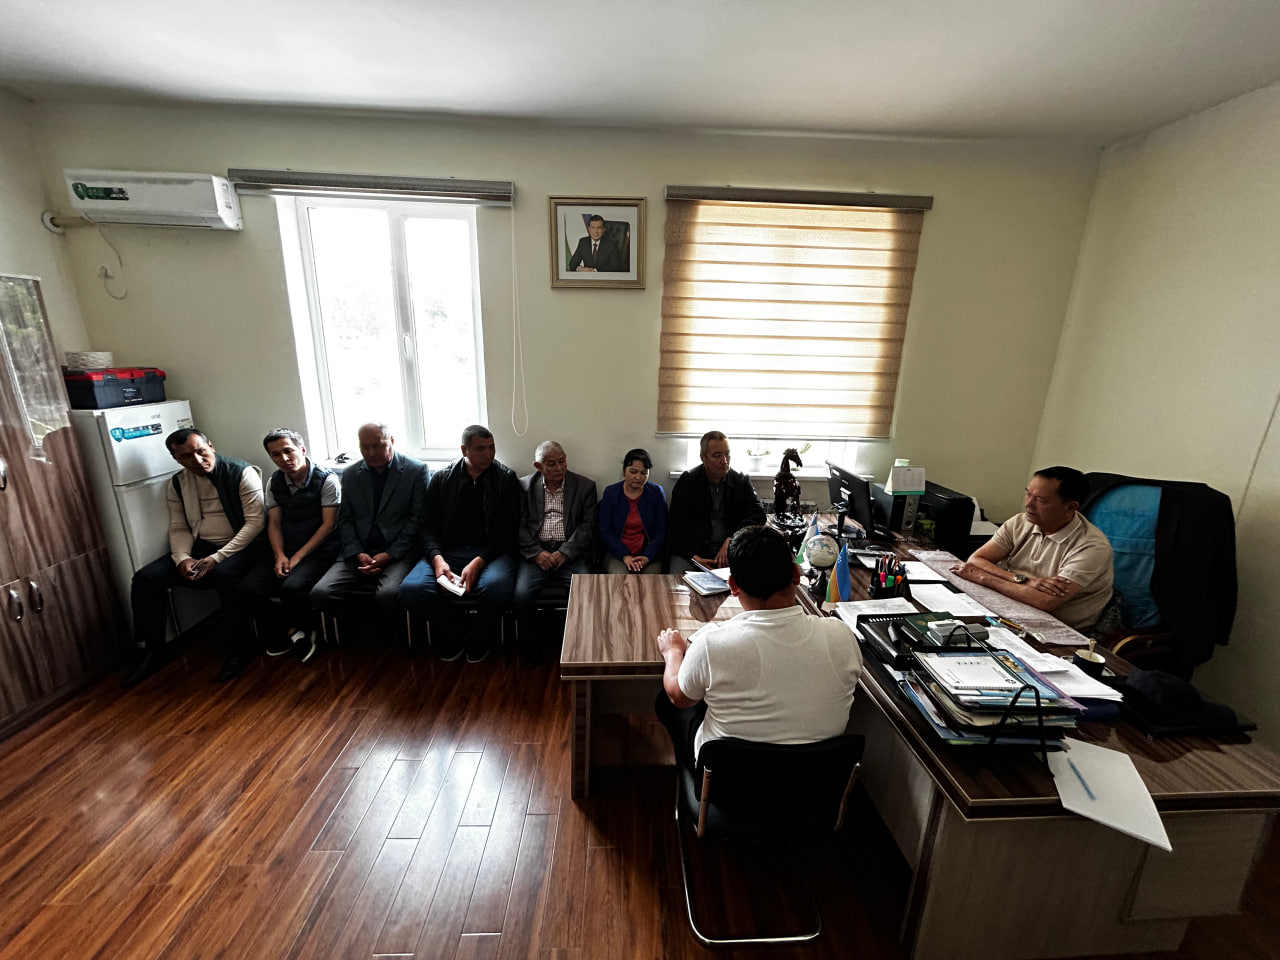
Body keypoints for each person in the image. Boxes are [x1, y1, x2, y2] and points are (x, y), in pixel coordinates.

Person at [654, 524, 863, 770]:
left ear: (733, 586)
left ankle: (688, 780)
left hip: (730, 782)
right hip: (816, 783)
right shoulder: (842, 636)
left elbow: (678, 697)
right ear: (796, 575)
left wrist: (672, 652)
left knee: (669, 701)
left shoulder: (711, 645)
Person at [122, 428, 267, 687]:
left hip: (243, 547)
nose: (197, 460)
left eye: (200, 451)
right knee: (146, 578)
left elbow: (255, 523)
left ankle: (242, 647)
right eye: (186, 457)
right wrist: (182, 558)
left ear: (211, 446)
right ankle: (153, 649)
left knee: (225, 575)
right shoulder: (178, 483)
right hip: (202, 546)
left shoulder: (242, 473)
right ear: (176, 459)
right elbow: (179, 526)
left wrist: (218, 557)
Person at [401, 425, 520, 663]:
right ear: (464, 450)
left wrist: (479, 561)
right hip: (448, 552)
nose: (488, 454)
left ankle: (480, 637)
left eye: (491, 447)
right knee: (412, 589)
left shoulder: (505, 478)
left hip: (491, 553)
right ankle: (455, 630)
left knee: (495, 588)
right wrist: (437, 559)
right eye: (480, 449)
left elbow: (510, 530)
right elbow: (427, 526)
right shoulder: (442, 479)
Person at [950, 466, 1113, 630]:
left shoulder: (1092, 547)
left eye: (1040, 500)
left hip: (1056, 627)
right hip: (1009, 607)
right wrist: (1025, 581)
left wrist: (983, 578)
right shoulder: (1020, 522)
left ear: (1070, 507)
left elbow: (1045, 601)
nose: (1028, 504)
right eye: (1028, 494)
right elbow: (977, 559)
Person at [310, 423, 428, 634]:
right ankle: (356, 633)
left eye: (378, 446)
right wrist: (357, 552)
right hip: (359, 551)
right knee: (321, 593)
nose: (371, 453)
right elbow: (345, 519)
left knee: (387, 594)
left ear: (391, 441)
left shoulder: (416, 470)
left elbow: (417, 520)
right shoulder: (351, 473)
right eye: (365, 447)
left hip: (398, 552)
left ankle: (395, 639)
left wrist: (389, 555)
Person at [236, 428, 340, 663]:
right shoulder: (274, 481)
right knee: (248, 589)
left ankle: (309, 632)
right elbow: (274, 523)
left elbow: (328, 526)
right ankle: (289, 631)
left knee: (292, 587)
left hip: (319, 549)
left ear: (302, 450)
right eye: (275, 454)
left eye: (288, 451)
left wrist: (298, 558)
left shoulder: (327, 479)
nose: (283, 458)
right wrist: (280, 555)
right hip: (286, 547)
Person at [513, 440, 598, 609]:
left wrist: (564, 553)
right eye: (552, 464)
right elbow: (519, 526)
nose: (559, 468)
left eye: (562, 461)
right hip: (537, 553)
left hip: (571, 554)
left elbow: (587, 526)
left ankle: (577, 627)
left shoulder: (585, 486)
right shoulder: (524, 486)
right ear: (538, 466)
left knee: (586, 593)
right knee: (521, 595)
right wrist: (537, 553)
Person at [666, 430, 765, 576]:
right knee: (677, 581)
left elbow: (758, 514)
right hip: (693, 553)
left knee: (753, 579)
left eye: (727, 454)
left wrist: (732, 539)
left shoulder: (740, 480)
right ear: (703, 458)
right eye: (717, 455)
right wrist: (694, 557)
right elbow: (675, 525)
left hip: (731, 550)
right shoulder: (688, 481)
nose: (724, 461)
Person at [598, 448, 667, 574]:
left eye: (644, 473)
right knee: (621, 578)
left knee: (650, 580)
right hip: (617, 554)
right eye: (633, 472)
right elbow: (605, 530)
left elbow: (661, 531)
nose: (638, 477)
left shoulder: (656, 492)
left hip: (648, 554)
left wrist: (647, 556)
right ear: (624, 470)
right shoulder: (611, 493)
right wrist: (625, 556)